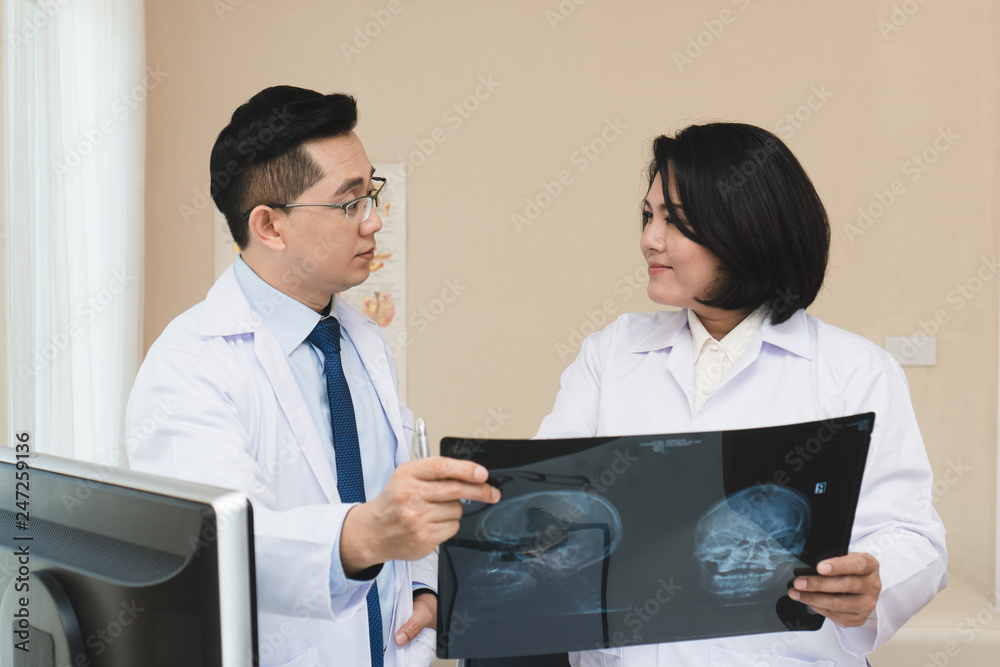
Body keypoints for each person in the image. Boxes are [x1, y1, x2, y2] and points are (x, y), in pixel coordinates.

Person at [536, 122, 947, 666]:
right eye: (648, 216)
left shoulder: (855, 370)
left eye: (675, 222)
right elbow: (547, 495)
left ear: (747, 231)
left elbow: (913, 535)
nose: (649, 240)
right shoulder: (611, 354)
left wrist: (874, 581)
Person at [126, 86, 499, 667]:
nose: (373, 221)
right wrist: (365, 535)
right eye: (349, 202)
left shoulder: (359, 339)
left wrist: (425, 582)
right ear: (270, 226)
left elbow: (395, 491)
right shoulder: (191, 364)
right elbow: (219, 548)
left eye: (371, 193)